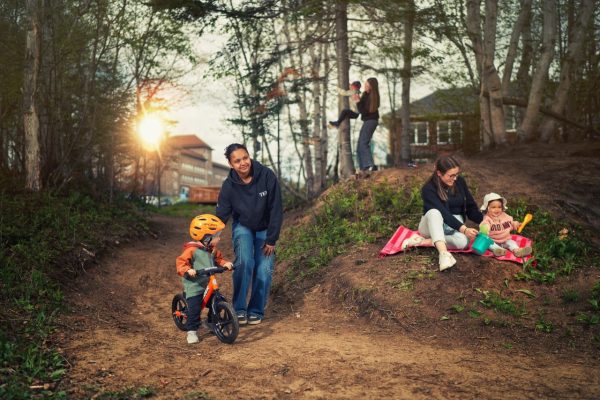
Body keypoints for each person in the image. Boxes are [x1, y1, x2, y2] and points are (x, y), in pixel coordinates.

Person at [216, 143, 283, 326]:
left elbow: (276, 208)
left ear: (249, 156)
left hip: (265, 228)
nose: (243, 163)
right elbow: (221, 215)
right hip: (243, 226)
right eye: (237, 161)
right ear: (231, 164)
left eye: (245, 158)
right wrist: (212, 236)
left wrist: (271, 238)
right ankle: (239, 309)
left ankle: (255, 310)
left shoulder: (266, 175)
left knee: (263, 267)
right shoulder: (229, 186)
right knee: (245, 261)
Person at [401, 155, 483, 271]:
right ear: (439, 173)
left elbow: (470, 206)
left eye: (456, 174)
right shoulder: (428, 189)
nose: (455, 178)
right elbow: (444, 214)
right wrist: (464, 229)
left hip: (452, 227)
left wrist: (486, 221)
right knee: (435, 212)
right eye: (451, 175)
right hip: (431, 226)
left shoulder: (459, 182)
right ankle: (444, 254)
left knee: (464, 242)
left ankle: (421, 242)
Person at [176, 214, 233, 344]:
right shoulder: (192, 250)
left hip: (208, 284)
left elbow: (219, 259)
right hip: (195, 286)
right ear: (206, 238)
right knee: (194, 309)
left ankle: (212, 322)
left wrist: (225, 264)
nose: (219, 238)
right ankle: (191, 331)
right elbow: (181, 263)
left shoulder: (212, 250)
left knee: (218, 301)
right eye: (217, 235)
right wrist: (188, 270)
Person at [479, 192, 532, 257]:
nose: (497, 209)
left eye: (499, 207)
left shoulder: (505, 216)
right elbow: (485, 224)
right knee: (489, 244)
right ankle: (500, 251)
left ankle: (517, 251)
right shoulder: (487, 218)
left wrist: (515, 224)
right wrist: (485, 228)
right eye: (493, 207)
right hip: (493, 240)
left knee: (512, 243)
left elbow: (511, 222)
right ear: (487, 208)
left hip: (505, 240)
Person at [356, 77, 380, 175]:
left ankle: (370, 165)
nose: (365, 86)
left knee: (363, 143)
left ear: (372, 87)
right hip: (367, 121)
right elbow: (361, 107)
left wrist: (358, 102)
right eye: (365, 85)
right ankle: (363, 168)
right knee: (360, 144)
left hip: (371, 121)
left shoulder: (373, 97)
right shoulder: (366, 94)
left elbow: (363, 111)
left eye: (367, 85)